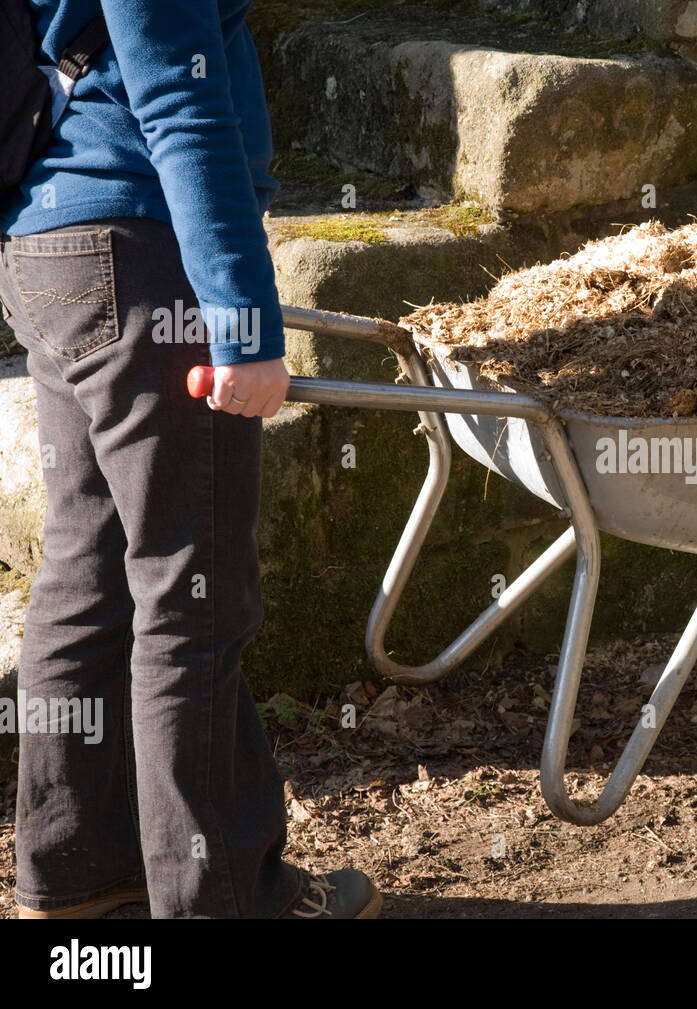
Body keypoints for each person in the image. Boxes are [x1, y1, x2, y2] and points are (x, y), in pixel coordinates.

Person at [0, 0, 381, 918]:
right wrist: (244, 318)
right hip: (141, 254)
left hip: (49, 244)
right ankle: (223, 897)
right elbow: (178, 90)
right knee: (193, 587)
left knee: (86, 573)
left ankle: (76, 866)